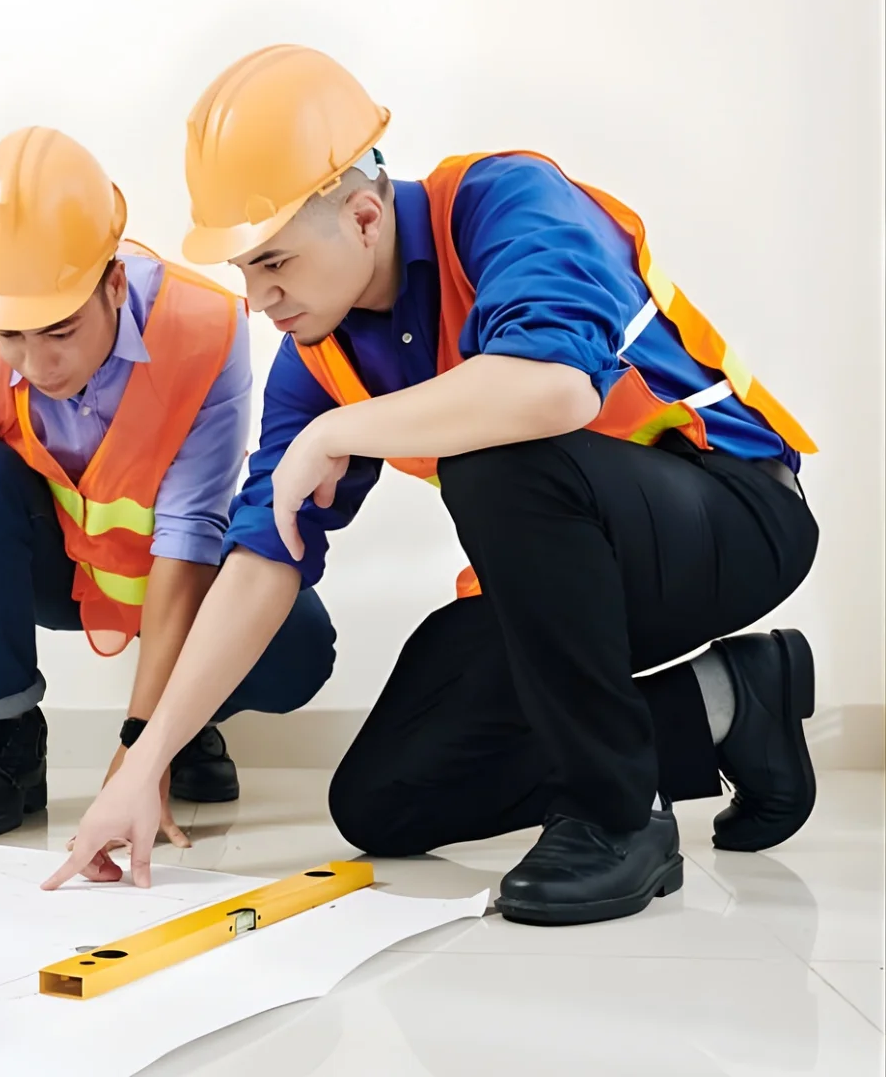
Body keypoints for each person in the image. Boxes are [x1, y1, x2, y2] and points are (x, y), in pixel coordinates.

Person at [50, 46, 819, 927]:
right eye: (245, 273)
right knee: (386, 800)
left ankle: (614, 821)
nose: (259, 299)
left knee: (499, 450)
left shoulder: (505, 201)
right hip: (564, 585)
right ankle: (729, 703)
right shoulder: (318, 353)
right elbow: (266, 555)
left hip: (730, 516)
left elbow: (553, 388)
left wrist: (339, 431)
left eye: (274, 264)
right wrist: (143, 766)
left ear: (366, 217)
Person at [0, 127, 338, 873]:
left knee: (300, 645)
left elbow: (189, 533)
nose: (36, 362)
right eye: (10, 335)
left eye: (59, 331)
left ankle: (186, 724)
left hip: (166, 574)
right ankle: (11, 739)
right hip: (55, 572)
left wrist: (139, 752)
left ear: (114, 283)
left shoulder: (203, 331)